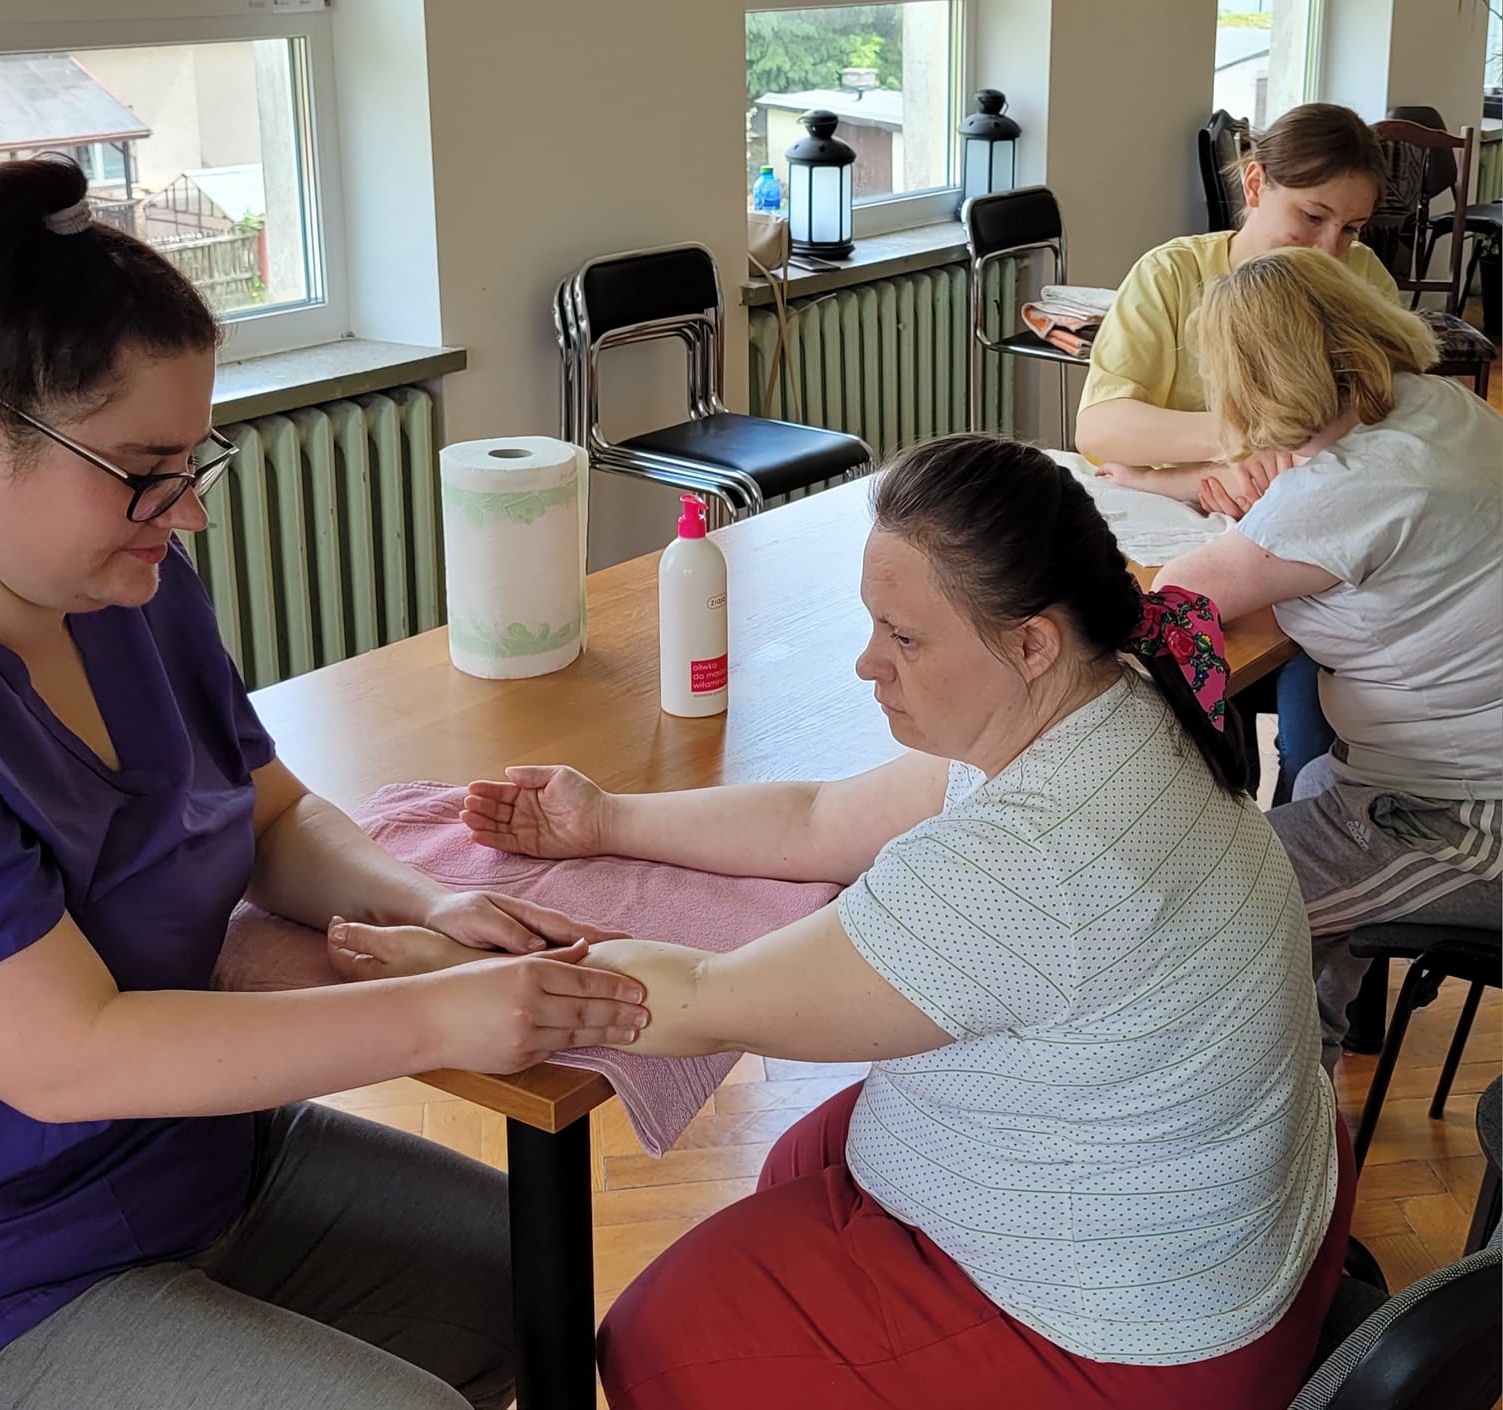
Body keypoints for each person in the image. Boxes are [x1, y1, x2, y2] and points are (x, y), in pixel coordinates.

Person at [0, 157, 650, 1410]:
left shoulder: (120, 581)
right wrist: (445, 1015)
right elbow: (69, 1058)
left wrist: (424, 903)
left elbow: (270, 814)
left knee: (534, 1281)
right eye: (140, 469)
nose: (186, 515)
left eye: (191, 463)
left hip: (158, 1160)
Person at [333, 435, 1349, 1410]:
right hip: (1236, 1225)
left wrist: (457, 968)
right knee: (801, 1162)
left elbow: (693, 1000)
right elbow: (821, 820)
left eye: (904, 638)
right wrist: (603, 821)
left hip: (1141, 1345)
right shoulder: (1113, 694)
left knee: (651, 1341)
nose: (869, 664)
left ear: (1031, 642)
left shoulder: (1033, 857)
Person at [1154, 246, 1503, 1071]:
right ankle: (1307, 1063)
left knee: (1210, 909)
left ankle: (1284, 1096)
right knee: (1312, 788)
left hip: (1467, 821)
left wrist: (1245, 487)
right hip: (1435, 780)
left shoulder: (1349, 486)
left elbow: (1178, 591)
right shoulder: (1441, 407)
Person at [1074, 102, 1400, 806]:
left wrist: (1217, 466)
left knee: (1314, 722)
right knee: (1183, 719)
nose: (1330, 250)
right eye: (1312, 216)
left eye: (1351, 228)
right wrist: (1220, 462)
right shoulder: (1170, 276)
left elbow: (1383, 436)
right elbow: (1100, 426)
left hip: (1305, 550)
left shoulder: (1362, 279)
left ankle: (1295, 831)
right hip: (1185, 538)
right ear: (1255, 185)